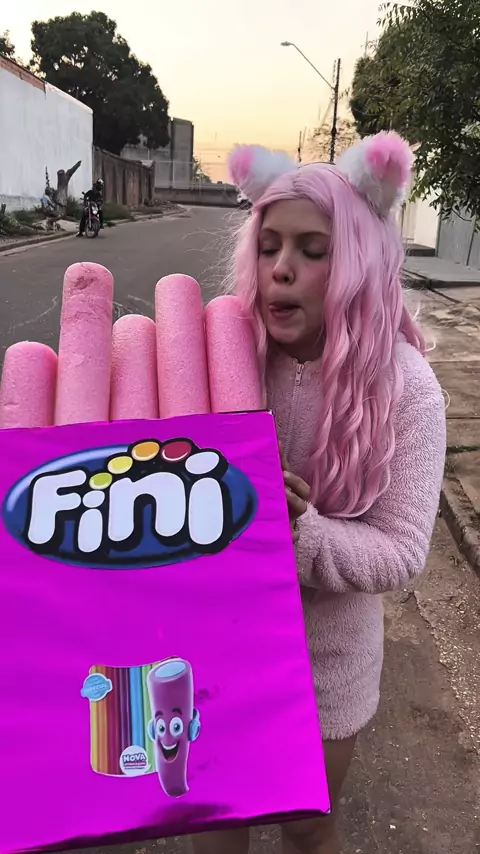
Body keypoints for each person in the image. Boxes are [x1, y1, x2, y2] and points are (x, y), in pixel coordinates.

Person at [193, 133, 446, 854]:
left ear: (360, 262)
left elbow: (401, 553)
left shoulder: (408, 392)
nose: (281, 268)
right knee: (217, 815)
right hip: (222, 638)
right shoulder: (225, 359)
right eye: (269, 246)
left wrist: (298, 530)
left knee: (308, 826)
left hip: (327, 661)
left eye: (312, 250)